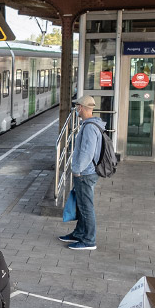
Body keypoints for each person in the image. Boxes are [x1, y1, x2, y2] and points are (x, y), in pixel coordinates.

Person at [60, 94, 104, 251]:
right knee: (82, 205)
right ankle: (79, 233)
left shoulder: (90, 127)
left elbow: (87, 152)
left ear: (81, 108)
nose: (76, 109)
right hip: (86, 172)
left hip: (85, 174)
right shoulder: (90, 125)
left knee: (86, 208)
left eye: (77, 107)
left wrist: (77, 170)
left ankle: (89, 240)